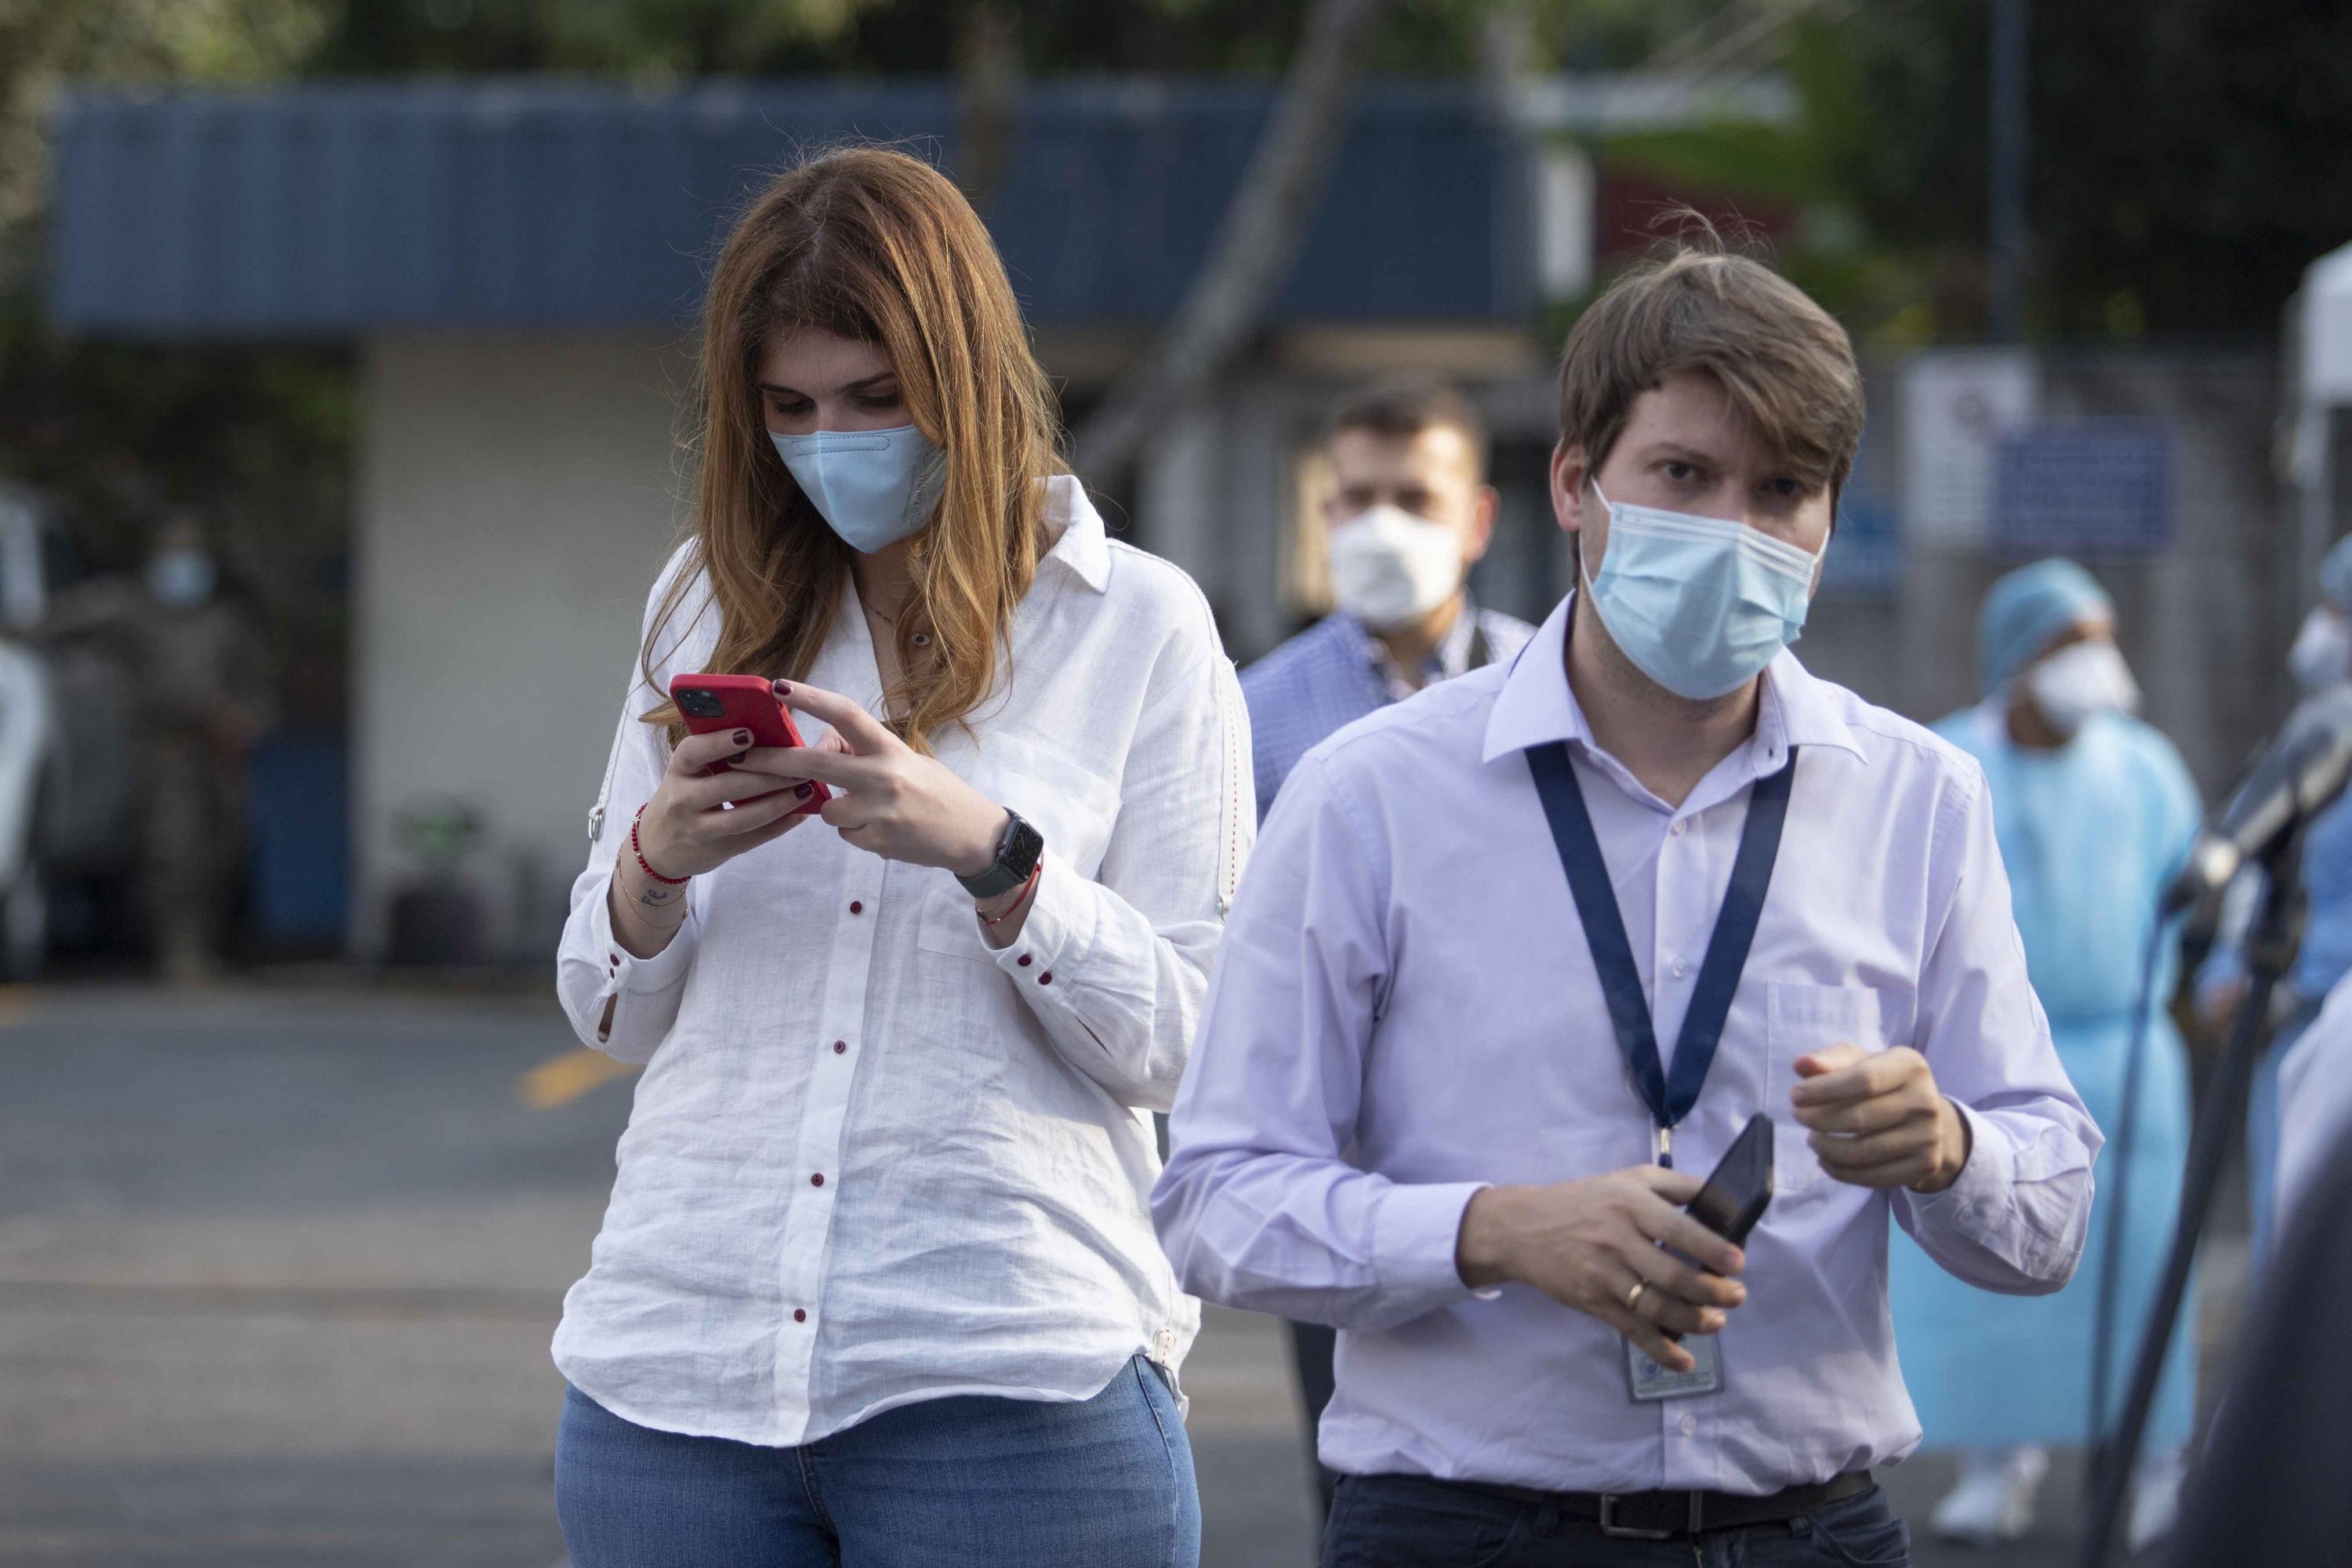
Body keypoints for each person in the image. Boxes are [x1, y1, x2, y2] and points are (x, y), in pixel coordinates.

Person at [1154, 233, 2096, 1568]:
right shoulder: (1369, 794)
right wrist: (1494, 1230)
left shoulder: (1920, 799)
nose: (1734, 533)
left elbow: (2049, 1217)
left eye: (1785, 491)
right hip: (1465, 1528)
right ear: (1574, 484)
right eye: (1684, 477)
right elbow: (1215, 1200)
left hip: (1813, 1526)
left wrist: (1947, 1147)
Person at [550, 146, 1250, 1568]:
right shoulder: (703, 601)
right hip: (680, 1372)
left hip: (1008, 1382)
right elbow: (605, 1011)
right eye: (792, 409)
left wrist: (997, 859)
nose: (836, 443)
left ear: (971, 379)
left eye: (878, 400)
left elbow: (1192, 1043)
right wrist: (652, 864)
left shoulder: (1140, 628)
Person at [1237, 376, 1534, 1518]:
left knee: (1538, 1481)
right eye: (1356, 497)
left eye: (1414, 495)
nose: (1382, 525)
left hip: (1530, 1144)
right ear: (1321, 514)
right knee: (1364, 1491)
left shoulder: (1553, 690)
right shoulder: (1258, 713)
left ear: (1478, 519)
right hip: (1342, 1167)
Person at [1885, 559, 2201, 1551]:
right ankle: (1995, 1461)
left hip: (2132, 1055)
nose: (2094, 663)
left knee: (2145, 1267)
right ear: (2015, 658)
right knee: (1982, 1259)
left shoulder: (2144, 764)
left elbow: (2201, 893)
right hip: (1992, 1058)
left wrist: (2224, 971)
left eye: (2102, 637)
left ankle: (2153, 1461)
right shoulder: (1948, 765)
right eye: (2070, 643)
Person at [2197, 532, 2352, 1251]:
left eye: (2338, 611)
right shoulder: (2313, 737)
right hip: (2296, 1053)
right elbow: (2257, 868)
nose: (2322, 628)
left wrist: (2298, 985)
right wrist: (2232, 978)